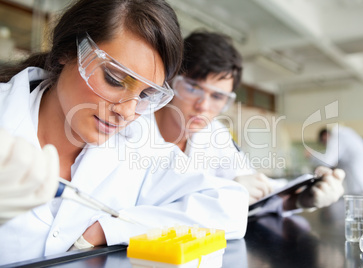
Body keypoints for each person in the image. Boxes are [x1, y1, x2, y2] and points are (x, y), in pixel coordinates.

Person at [0, 1, 248, 265]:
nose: (128, 112)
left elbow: (229, 207)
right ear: (68, 50)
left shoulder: (137, 144)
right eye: (115, 79)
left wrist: (110, 228)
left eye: (145, 94)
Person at [137, 30, 345, 214]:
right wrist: (224, 194)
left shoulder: (214, 133)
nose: (203, 105)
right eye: (192, 88)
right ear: (171, 79)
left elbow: (256, 187)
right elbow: (134, 206)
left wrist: (299, 198)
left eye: (217, 97)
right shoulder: (134, 123)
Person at [308, 126, 363, 194]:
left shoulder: (337, 137)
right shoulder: (344, 135)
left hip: (358, 179)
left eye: (324, 142)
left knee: (359, 197)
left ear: (325, 135)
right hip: (359, 178)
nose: (326, 145)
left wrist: (312, 155)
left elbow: (328, 161)